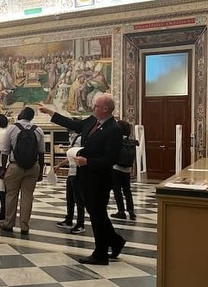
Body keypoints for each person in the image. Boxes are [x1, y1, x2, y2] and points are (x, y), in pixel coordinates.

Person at [39, 93, 125, 265]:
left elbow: (112, 158)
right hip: (86, 177)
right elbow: (73, 124)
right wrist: (51, 113)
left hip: (100, 178)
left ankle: (100, 254)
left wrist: (88, 161)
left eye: (96, 106)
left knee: (97, 216)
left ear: (106, 109)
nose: (92, 108)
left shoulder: (113, 129)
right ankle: (115, 242)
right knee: (97, 214)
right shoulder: (92, 121)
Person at [0, 107, 45, 235]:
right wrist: (40, 171)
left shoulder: (12, 128)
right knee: (27, 197)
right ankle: (25, 226)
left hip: (15, 166)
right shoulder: (38, 130)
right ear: (31, 117)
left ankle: (8, 224)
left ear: (21, 114)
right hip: (33, 167)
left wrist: (3, 168)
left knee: (11, 195)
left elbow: (5, 151)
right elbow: (41, 153)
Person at [56, 127, 86, 234]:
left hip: (78, 173)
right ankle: (68, 219)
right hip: (71, 173)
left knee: (79, 200)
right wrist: (59, 165)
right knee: (70, 198)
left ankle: (80, 223)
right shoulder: (73, 139)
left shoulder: (80, 139)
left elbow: (77, 155)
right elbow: (70, 158)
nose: (69, 135)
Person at [110, 120, 137, 220]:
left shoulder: (116, 141)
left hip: (116, 168)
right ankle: (131, 212)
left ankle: (121, 211)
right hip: (127, 169)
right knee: (127, 191)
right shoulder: (131, 142)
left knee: (117, 191)